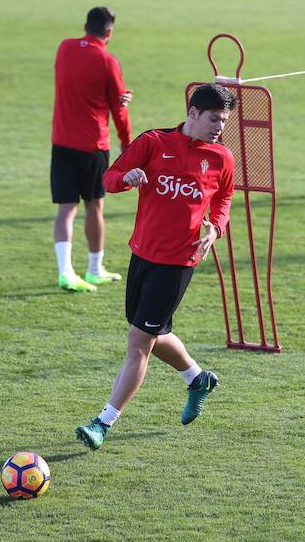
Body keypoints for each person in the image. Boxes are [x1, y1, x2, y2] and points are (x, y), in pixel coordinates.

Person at [75, 83, 237, 451]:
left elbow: (225, 197)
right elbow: (109, 177)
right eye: (214, 119)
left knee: (138, 344)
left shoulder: (221, 157)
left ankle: (102, 423)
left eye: (224, 121)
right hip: (142, 254)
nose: (219, 127)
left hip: (178, 262)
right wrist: (127, 179)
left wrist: (216, 227)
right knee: (150, 331)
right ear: (193, 113)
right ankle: (198, 379)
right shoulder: (154, 142)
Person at [51, 7, 133, 292]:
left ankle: (66, 272)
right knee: (94, 206)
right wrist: (127, 142)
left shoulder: (64, 48)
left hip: (61, 141)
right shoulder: (108, 61)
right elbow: (118, 110)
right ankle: (94, 267)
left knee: (66, 209)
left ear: (85, 25)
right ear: (109, 32)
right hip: (93, 145)